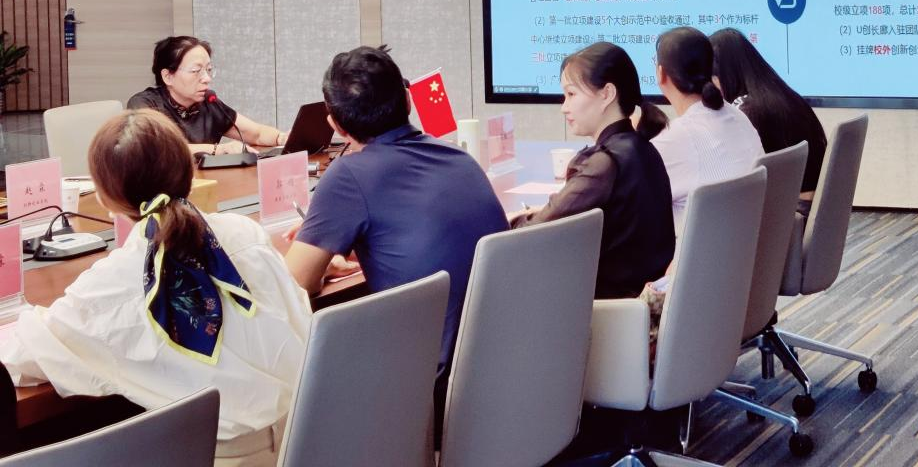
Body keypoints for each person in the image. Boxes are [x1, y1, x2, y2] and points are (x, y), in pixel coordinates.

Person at [1, 109, 311, 466]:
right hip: (310, 438)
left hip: (220, 458)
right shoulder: (246, 234)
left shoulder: (112, 284)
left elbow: (25, 355)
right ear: (190, 172)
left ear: (103, 197)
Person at [285, 45, 507, 372]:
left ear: (336, 125)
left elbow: (295, 283)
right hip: (497, 361)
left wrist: (326, 265)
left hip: (424, 379)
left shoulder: (348, 175)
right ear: (408, 100)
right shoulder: (460, 158)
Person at [511, 42, 675, 299]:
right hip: (640, 302)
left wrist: (510, 221)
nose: (564, 107)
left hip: (605, 307)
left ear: (607, 94)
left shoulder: (605, 163)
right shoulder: (643, 148)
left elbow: (535, 232)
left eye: (571, 94)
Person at [651, 26, 765, 236]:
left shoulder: (676, 138)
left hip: (702, 253)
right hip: (747, 245)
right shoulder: (736, 115)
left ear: (661, 73)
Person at [711, 27, 828, 214]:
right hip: (815, 208)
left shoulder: (744, 111)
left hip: (787, 214)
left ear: (721, 76)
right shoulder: (785, 96)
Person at [128, 35, 288, 156]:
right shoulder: (145, 104)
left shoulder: (209, 102)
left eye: (208, 70)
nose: (206, 78)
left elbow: (256, 134)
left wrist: (282, 138)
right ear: (167, 76)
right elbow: (157, 149)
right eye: (196, 71)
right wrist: (219, 150)